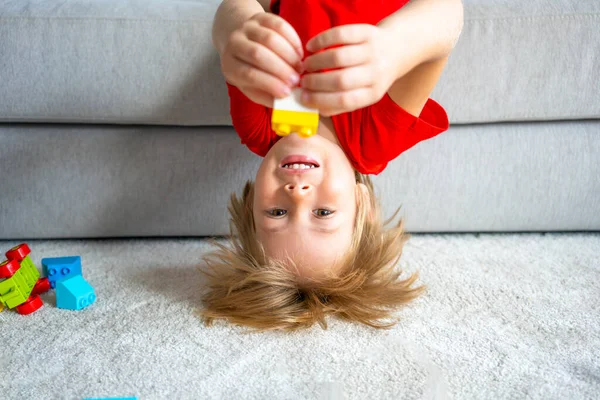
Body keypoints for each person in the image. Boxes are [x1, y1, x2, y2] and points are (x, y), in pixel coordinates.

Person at [201, 0, 464, 331]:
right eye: (322, 213)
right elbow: (448, 13)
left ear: (252, 203)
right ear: (361, 204)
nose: (297, 194)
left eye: (276, 213)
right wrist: (394, 48)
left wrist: (237, 32)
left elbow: (239, 4)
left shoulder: (261, 123)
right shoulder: (373, 138)